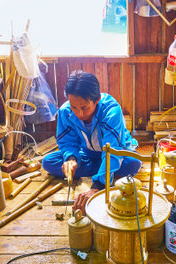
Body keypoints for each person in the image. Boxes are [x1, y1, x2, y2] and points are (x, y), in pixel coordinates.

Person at [43, 71, 141, 214]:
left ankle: (102, 173)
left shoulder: (111, 110)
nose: (79, 114)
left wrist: (96, 187)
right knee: (48, 161)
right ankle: (106, 171)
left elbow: (113, 151)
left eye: (84, 107)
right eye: (74, 107)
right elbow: (67, 142)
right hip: (87, 154)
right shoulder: (65, 111)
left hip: (112, 153)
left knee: (133, 163)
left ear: (97, 100)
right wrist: (71, 158)